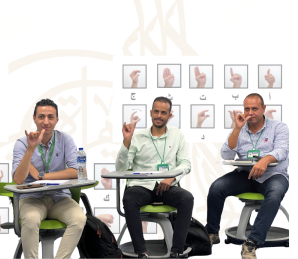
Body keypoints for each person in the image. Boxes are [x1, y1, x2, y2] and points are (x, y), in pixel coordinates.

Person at [206, 93, 288, 259]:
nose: (250, 112)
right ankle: (211, 233)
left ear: (263, 109)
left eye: (255, 109)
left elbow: (282, 150)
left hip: (273, 174)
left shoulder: (279, 127)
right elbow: (226, 154)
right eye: (247, 109)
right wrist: (236, 128)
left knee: (275, 194)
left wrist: (265, 160)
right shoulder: (240, 127)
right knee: (216, 188)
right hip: (245, 174)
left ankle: (252, 242)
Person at [115, 96, 193, 258]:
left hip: (167, 186)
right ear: (151, 112)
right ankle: (141, 252)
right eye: (156, 111)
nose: (159, 115)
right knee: (129, 198)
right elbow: (121, 168)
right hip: (142, 186)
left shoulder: (177, 135)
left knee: (187, 198)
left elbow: (185, 164)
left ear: (169, 115)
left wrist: (171, 178)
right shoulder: (137, 137)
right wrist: (126, 142)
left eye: (163, 113)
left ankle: (176, 252)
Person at [12, 98, 86, 259]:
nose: (46, 121)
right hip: (31, 198)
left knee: (79, 218)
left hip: (59, 198)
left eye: (51, 117)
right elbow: (18, 180)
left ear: (57, 120)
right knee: (30, 220)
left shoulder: (65, 139)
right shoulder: (22, 143)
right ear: (34, 118)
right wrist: (30, 150)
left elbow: (77, 171)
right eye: (41, 117)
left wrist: (41, 176)